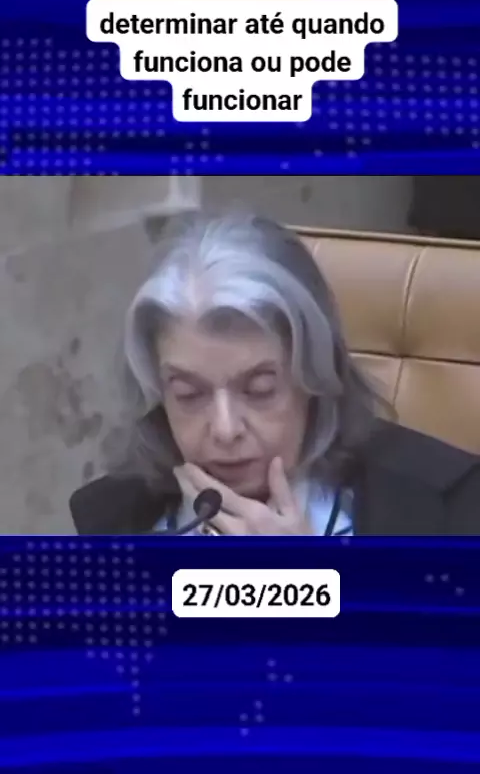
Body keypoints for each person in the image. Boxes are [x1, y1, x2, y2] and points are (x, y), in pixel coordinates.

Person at [70, 210, 480, 536]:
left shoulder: (449, 506)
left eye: (260, 390)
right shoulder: (114, 519)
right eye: (189, 395)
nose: (225, 430)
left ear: (315, 377)